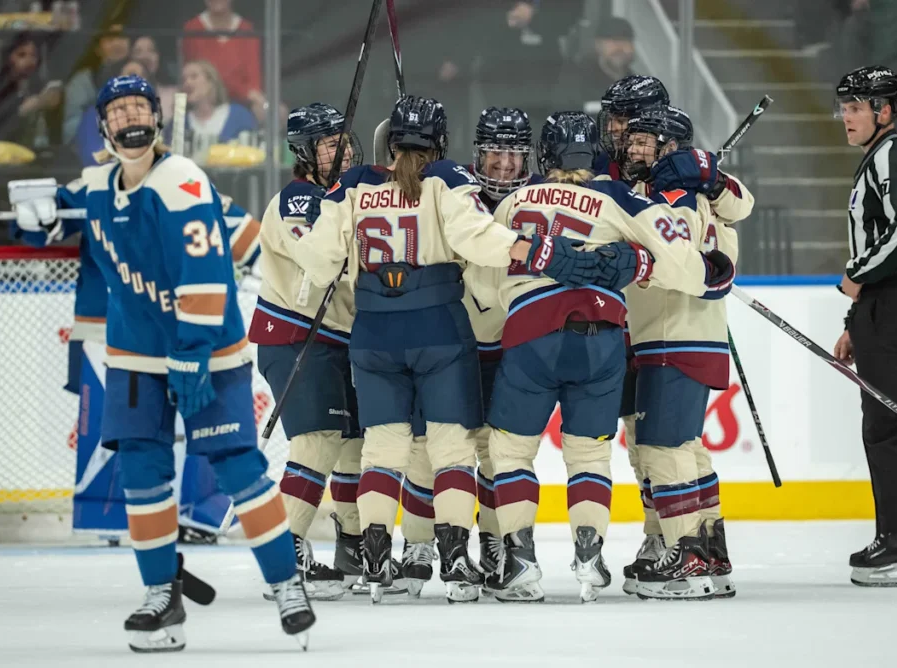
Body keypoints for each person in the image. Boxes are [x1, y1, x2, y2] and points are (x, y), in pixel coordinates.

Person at [7, 74, 314, 651]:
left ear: (157, 119)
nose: (129, 118)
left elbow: (203, 274)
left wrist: (194, 354)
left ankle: (285, 584)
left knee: (238, 467)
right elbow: (54, 223)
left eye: (139, 108)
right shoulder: (96, 183)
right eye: (118, 110)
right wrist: (30, 218)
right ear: (104, 126)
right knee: (143, 476)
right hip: (135, 358)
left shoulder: (182, 181)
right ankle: (161, 597)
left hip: (208, 353)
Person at [292, 95, 597, 603]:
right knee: (452, 450)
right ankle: (456, 563)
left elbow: (316, 259)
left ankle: (374, 562)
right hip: (438, 326)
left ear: (390, 141)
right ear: (442, 142)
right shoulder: (448, 179)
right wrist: (535, 250)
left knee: (383, 450)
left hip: (373, 333)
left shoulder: (354, 184)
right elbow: (479, 240)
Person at [473, 111, 736, 603]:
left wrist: (510, 305)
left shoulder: (512, 201)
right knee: (590, 453)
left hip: (531, 334)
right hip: (602, 338)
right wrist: (703, 276)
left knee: (510, 452)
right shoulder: (622, 198)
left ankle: (519, 565)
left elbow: (482, 281)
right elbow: (681, 262)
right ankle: (590, 561)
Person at [397, 106, 542, 591]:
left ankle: (497, 547)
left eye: (513, 156)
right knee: (426, 450)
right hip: (450, 342)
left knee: (499, 453)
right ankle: (417, 547)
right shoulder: (453, 190)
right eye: (494, 153)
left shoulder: (542, 199)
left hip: (511, 347)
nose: (503, 165)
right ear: (478, 153)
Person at [618, 106, 740, 600]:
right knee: (685, 445)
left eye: (645, 141)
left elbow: (676, 262)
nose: (634, 149)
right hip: (696, 334)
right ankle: (710, 550)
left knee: (661, 448)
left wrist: (631, 260)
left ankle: (685, 557)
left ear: (670, 147)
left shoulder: (671, 200)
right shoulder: (705, 200)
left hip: (670, 336)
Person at [250, 102, 366, 600]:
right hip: (299, 336)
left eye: (342, 140)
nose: (339, 152)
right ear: (303, 152)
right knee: (317, 441)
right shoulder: (297, 200)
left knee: (355, 450)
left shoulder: (346, 196)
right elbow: (322, 263)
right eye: (325, 144)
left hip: (342, 341)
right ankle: (286, 553)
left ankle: (353, 547)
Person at [832, 65, 897, 588]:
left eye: (855, 108)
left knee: (888, 425)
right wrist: (856, 321)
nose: (846, 117)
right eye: (845, 108)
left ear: (885, 110)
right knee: (881, 423)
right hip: (887, 307)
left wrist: (856, 279)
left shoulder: (892, 156)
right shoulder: (877, 159)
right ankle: (895, 535)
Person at [178, 60, 259, 162]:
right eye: (183, 80)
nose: (187, 82)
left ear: (211, 82)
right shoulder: (178, 123)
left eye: (194, 77)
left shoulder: (240, 116)